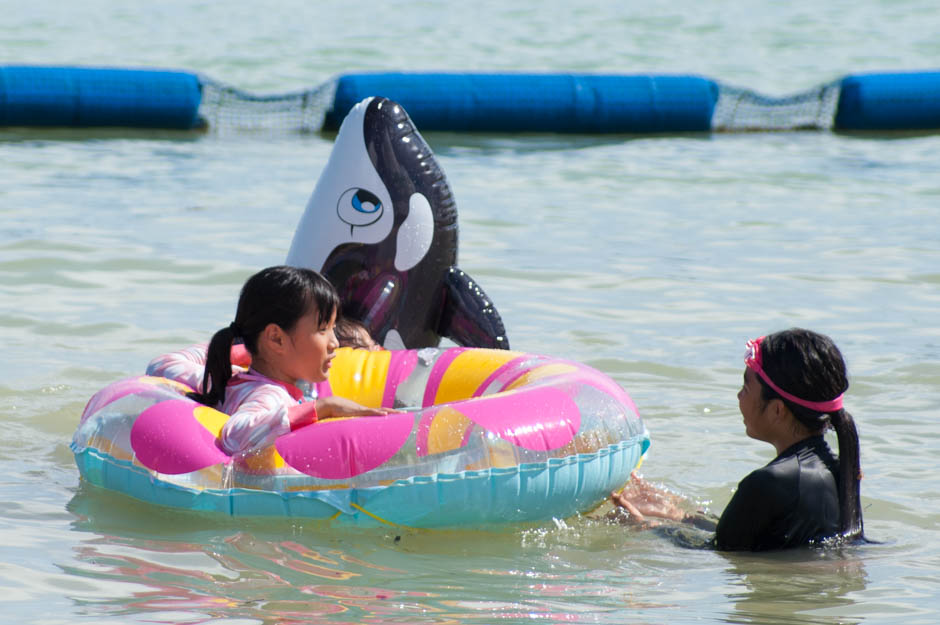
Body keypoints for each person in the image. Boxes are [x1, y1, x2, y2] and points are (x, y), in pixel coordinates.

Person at [610, 328, 864, 551]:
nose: (739, 396)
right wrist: (678, 515)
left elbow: (721, 552)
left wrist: (644, 526)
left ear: (777, 410)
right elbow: (757, 537)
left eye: (746, 388)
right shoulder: (838, 470)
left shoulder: (770, 482)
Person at [146, 265, 398, 455]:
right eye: (323, 329)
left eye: (333, 328)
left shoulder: (228, 378)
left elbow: (162, 365)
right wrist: (323, 407)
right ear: (276, 339)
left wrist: (242, 351)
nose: (334, 342)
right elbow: (236, 434)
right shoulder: (269, 395)